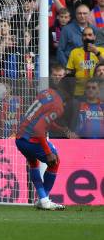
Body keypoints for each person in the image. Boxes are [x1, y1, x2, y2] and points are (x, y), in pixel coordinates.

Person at [15, 81, 76, 210]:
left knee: (33, 163)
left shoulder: (47, 92)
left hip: (20, 138)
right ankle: (44, 200)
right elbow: (39, 128)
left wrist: (62, 130)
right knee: (55, 161)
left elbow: (40, 120)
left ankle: (43, 199)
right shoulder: (58, 106)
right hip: (31, 139)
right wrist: (48, 153)